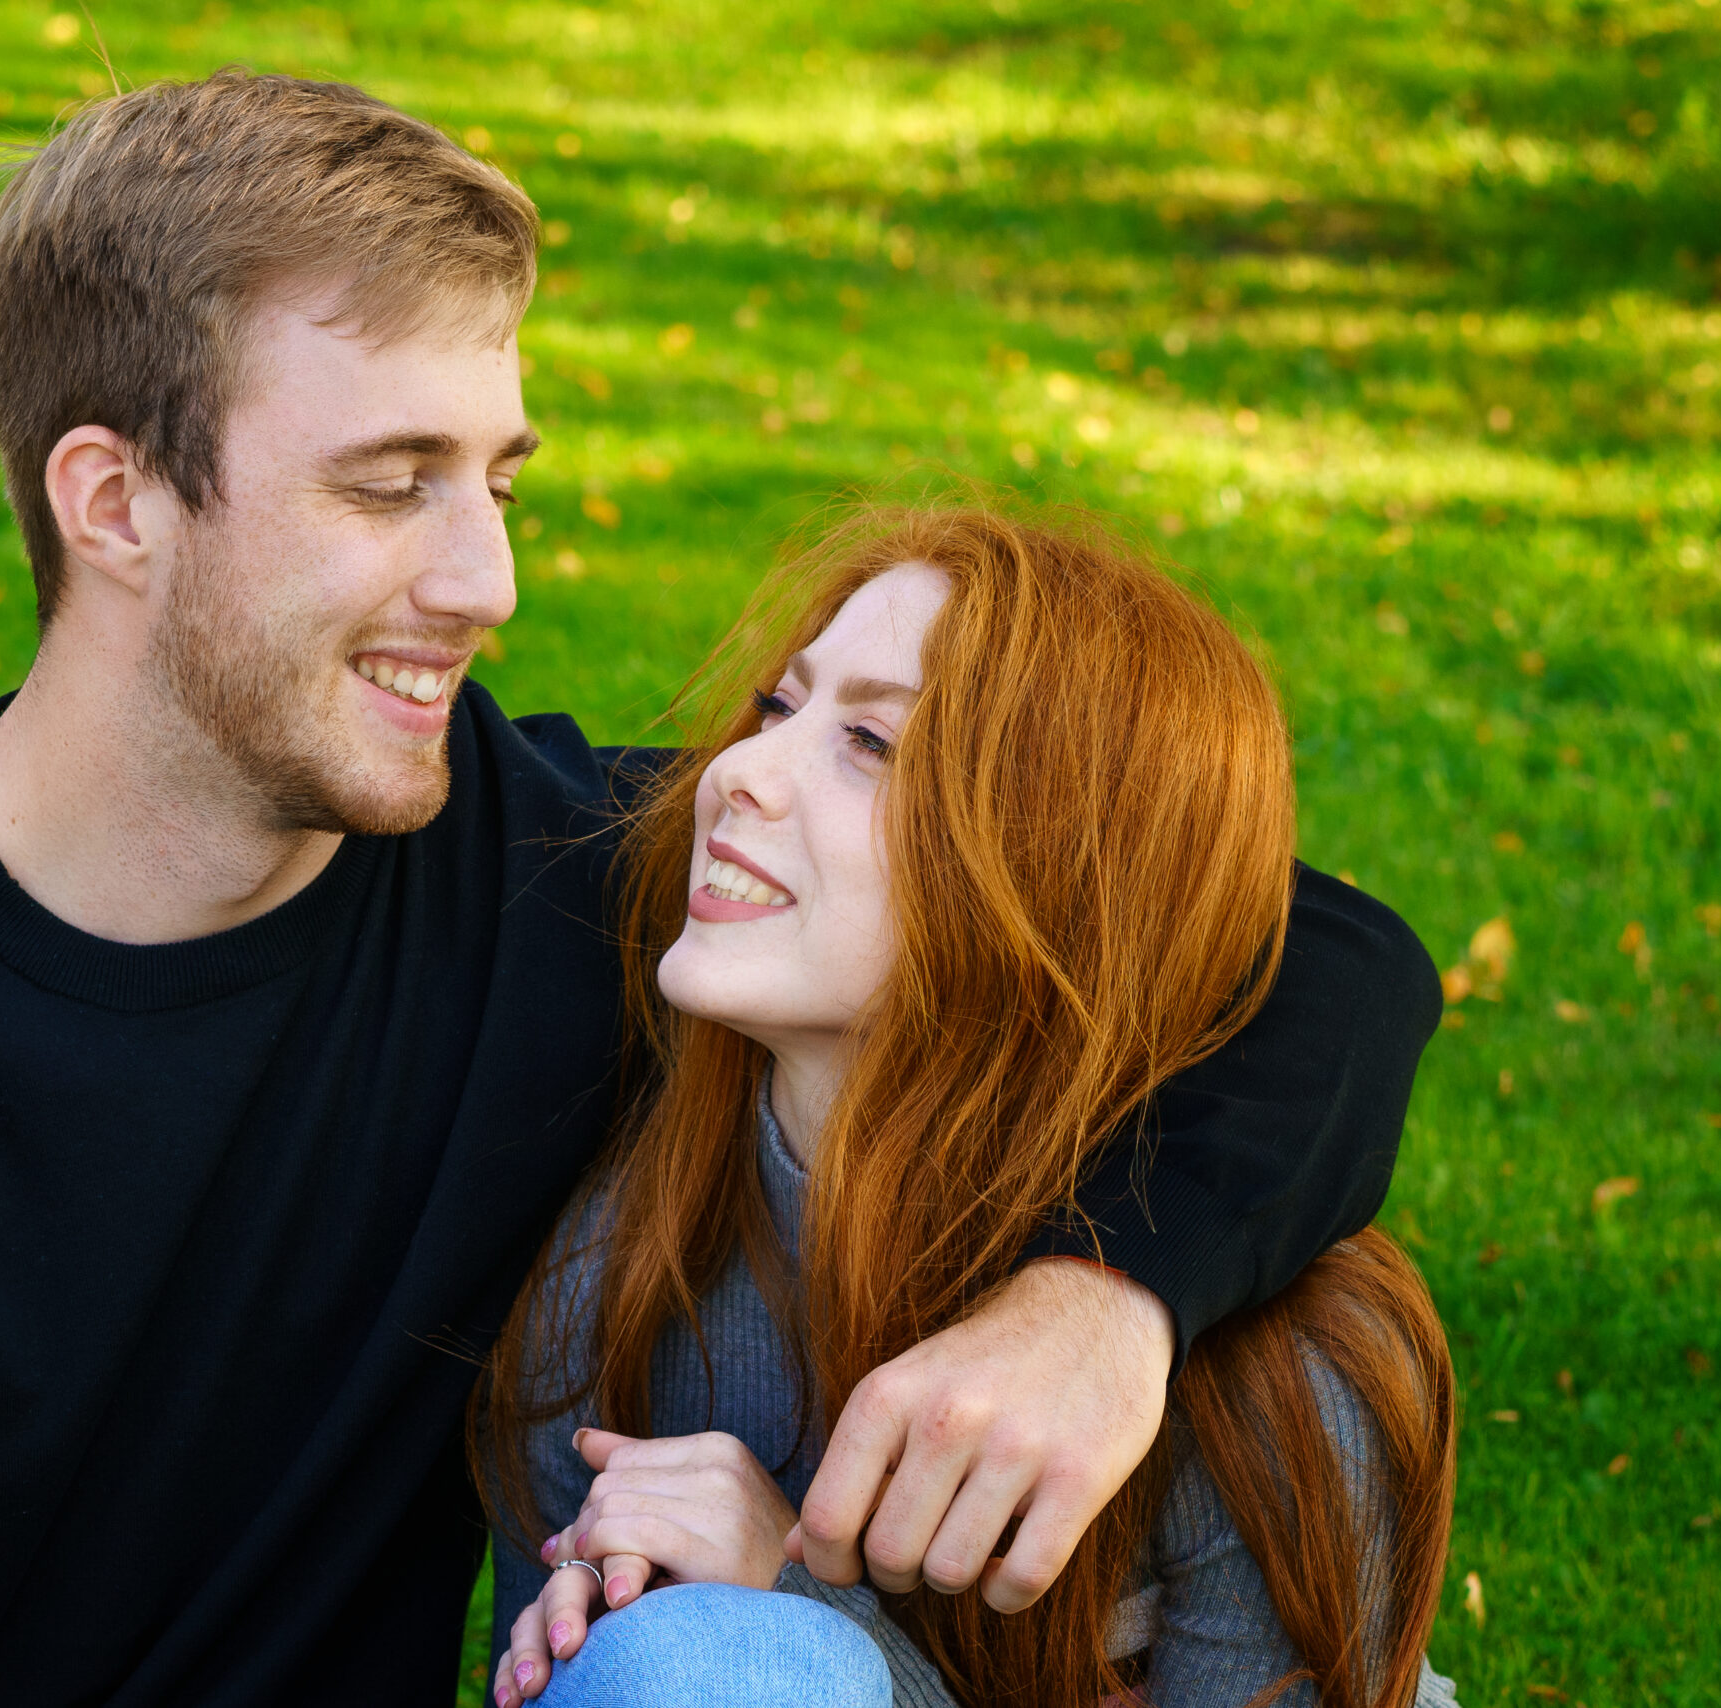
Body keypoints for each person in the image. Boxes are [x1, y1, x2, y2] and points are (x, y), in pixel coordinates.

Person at [0, 72, 1439, 1706]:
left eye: (497, 477)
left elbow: (1268, 938)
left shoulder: (534, 876)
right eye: (384, 480)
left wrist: (1098, 1297)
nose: (483, 584)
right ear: (113, 501)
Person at [481, 507, 1456, 1708]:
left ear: (1058, 876)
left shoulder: (1272, 1370)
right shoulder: (612, 1266)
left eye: (874, 744)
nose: (735, 771)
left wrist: (789, 1600)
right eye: (781, 710)